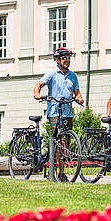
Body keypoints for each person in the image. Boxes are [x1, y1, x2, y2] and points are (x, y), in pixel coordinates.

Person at [34, 47, 84, 181]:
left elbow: (77, 92)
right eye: (64, 58)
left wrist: (79, 97)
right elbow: (39, 84)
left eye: (68, 58)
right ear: (57, 60)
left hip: (68, 113)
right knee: (59, 141)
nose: (67, 60)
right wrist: (37, 93)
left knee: (65, 144)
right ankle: (54, 171)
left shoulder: (73, 76)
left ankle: (61, 173)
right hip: (55, 112)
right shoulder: (52, 74)